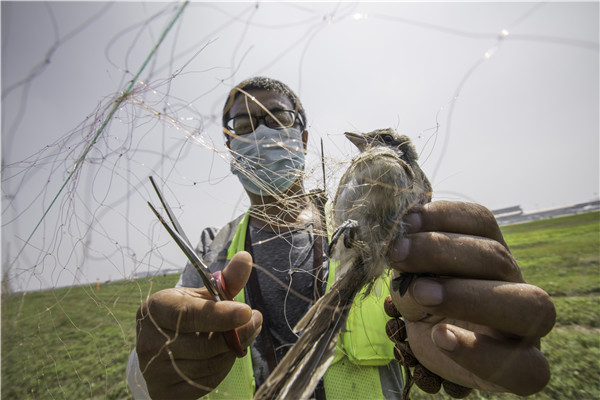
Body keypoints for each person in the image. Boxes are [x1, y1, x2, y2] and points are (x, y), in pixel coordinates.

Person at [127, 77, 556, 399]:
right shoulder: (213, 248)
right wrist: (152, 372)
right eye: (244, 123)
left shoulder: (372, 223)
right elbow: (157, 359)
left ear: (302, 138)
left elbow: (428, 306)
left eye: (277, 119)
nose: (262, 133)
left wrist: (457, 322)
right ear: (230, 145)